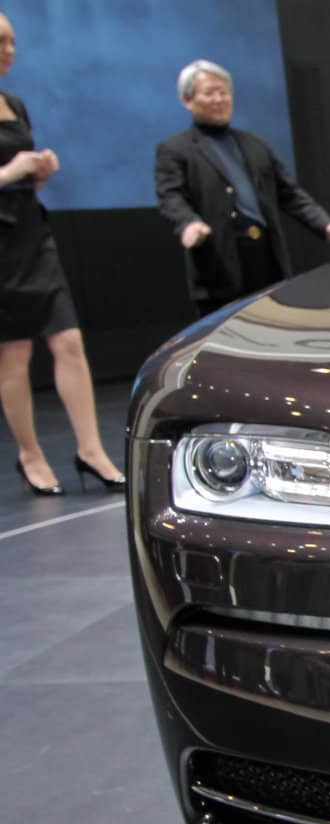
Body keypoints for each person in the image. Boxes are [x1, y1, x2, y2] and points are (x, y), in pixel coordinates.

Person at [0, 10, 125, 496]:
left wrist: (39, 171)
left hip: (33, 234)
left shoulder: (15, 104)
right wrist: (11, 172)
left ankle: (89, 448)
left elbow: (20, 173)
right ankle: (29, 454)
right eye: (1, 41)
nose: (9, 50)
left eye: (12, 41)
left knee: (68, 340)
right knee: (13, 354)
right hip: (1, 249)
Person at [155, 59, 330, 315]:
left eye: (224, 92)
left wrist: (324, 223)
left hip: (266, 260)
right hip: (219, 263)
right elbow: (171, 196)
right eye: (209, 93)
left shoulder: (254, 144)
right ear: (188, 100)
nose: (218, 99)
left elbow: (289, 193)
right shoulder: (176, 149)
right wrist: (188, 223)